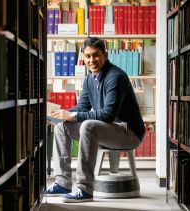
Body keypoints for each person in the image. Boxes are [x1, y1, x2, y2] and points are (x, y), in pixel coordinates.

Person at [46, 37, 145, 203]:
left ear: (105, 55)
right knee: (62, 127)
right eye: (88, 56)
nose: (92, 60)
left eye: (96, 55)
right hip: (109, 131)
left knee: (88, 125)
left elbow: (108, 115)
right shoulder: (89, 78)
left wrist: (74, 116)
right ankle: (62, 183)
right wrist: (55, 116)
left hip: (129, 133)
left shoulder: (116, 77)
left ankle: (84, 188)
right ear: (83, 58)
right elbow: (81, 108)